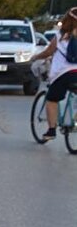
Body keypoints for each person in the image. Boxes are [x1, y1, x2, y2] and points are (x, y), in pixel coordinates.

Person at [29, 8, 77, 142]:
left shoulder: (60, 35)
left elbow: (48, 52)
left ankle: (51, 131)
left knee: (52, 100)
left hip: (63, 74)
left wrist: (35, 57)